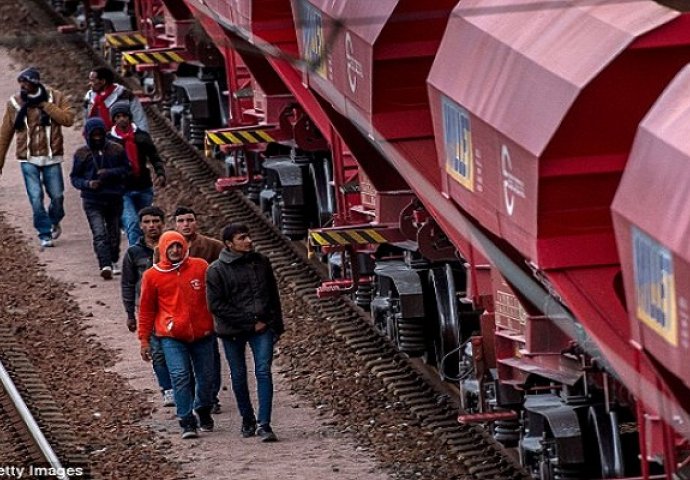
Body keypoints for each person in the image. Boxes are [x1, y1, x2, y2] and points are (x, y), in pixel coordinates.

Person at [206, 223, 284, 442]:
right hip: (233, 330)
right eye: (242, 238)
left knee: (263, 371)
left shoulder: (261, 262)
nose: (248, 241)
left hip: (263, 327)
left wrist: (276, 325)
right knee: (239, 375)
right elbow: (216, 306)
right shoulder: (216, 270)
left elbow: (272, 294)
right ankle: (247, 418)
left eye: (248, 236)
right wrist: (251, 322)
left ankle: (264, 423)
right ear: (229, 244)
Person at [138, 231, 215, 439]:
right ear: (163, 249)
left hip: (203, 333)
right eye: (170, 247)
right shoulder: (152, 276)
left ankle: (203, 407)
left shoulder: (200, 267)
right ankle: (186, 420)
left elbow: (214, 294)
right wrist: (144, 339)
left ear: (185, 247)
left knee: (207, 377)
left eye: (178, 246)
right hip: (171, 336)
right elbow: (146, 310)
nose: (175, 251)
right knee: (180, 375)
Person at [0, 67, 75, 248]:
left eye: (26, 83)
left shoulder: (56, 97)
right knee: (36, 198)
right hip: (28, 158)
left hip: (52, 157)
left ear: (35, 83)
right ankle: (44, 232)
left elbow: (68, 119)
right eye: (21, 83)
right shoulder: (15, 103)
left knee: (57, 196)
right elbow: (5, 133)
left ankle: (54, 219)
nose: (23, 86)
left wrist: (45, 106)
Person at [121, 206, 174, 407]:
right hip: (147, 309)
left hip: (173, 306)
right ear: (141, 226)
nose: (152, 226)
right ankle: (167, 388)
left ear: (163, 222)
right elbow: (127, 283)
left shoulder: (174, 248)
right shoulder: (134, 253)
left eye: (155, 221)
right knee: (157, 351)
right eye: (147, 222)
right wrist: (129, 314)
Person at [173, 206, 224, 413]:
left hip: (207, 309)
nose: (186, 224)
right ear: (175, 224)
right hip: (179, 311)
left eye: (189, 220)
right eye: (181, 221)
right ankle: (196, 395)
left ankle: (210, 395)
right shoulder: (166, 248)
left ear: (196, 222)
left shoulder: (213, 247)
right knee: (184, 358)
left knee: (210, 355)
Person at [70, 117, 131, 279]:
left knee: (114, 233)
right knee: (99, 233)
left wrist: (109, 173)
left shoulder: (116, 149)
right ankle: (104, 264)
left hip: (114, 197)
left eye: (99, 134)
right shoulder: (82, 154)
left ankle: (113, 258)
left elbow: (126, 168)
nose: (97, 138)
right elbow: (75, 177)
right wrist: (88, 184)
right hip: (92, 200)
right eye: (93, 135)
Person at [107, 101, 166, 246]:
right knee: (133, 222)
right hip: (122, 190)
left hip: (143, 187)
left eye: (124, 116)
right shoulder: (109, 140)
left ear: (130, 117)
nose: (121, 119)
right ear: (114, 119)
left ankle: (148, 250)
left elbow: (154, 157)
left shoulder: (141, 137)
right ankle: (136, 256)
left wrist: (160, 173)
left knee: (146, 225)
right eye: (118, 116)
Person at [84, 66, 149, 132]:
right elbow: (86, 120)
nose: (89, 83)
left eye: (93, 80)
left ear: (103, 81)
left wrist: (143, 137)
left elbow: (140, 120)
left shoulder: (125, 96)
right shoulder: (89, 97)